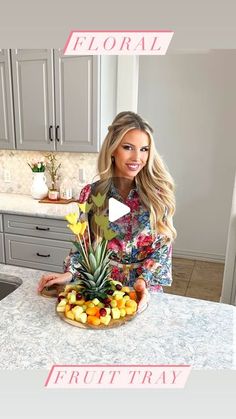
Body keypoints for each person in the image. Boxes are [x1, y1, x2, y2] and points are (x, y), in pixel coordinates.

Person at [38, 111, 177, 312]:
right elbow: (83, 247)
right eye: (128, 147)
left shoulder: (159, 195)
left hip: (144, 293)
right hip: (102, 292)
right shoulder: (92, 194)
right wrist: (69, 274)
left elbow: (162, 249)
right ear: (113, 150)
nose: (137, 157)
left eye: (144, 149)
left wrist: (143, 282)